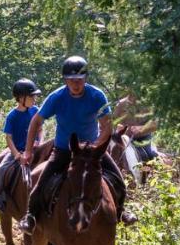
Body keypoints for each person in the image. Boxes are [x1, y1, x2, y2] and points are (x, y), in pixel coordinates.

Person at [17, 55, 135, 234]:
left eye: (79, 80)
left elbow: (106, 125)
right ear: (65, 80)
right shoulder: (56, 97)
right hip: (64, 149)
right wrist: (27, 151)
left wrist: (96, 147)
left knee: (118, 180)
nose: (76, 84)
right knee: (40, 182)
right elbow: (36, 121)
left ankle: (121, 211)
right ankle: (31, 217)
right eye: (71, 80)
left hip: (92, 151)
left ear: (85, 79)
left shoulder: (96, 95)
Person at [0, 78, 42, 210]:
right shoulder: (12, 116)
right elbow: (9, 138)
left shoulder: (35, 111)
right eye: (31, 96)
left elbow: (40, 129)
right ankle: (0, 199)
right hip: (18, 150)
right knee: (1, 169)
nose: (34, 99)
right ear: (21, 98)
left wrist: (39, 142)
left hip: (35, 148)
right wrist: (16, 154)